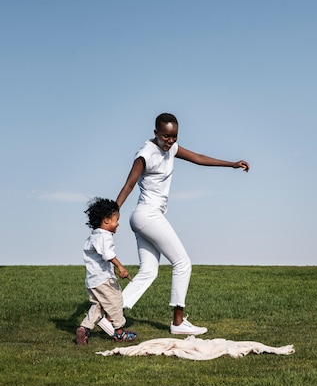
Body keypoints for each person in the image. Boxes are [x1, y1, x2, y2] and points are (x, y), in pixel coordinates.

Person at [115, 112, 250, 336]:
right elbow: (129, 184)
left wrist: (231, 164)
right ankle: (178, 323)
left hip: (145, 217)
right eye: (166, 136)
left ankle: (112, 315)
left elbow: (198, 158)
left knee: (148, 271)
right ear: (156, 133)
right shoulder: (145, 154)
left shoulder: (173, 149)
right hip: (147, 215)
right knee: (182, 263)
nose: (170, 141)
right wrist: (113, 212)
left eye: (174, 136)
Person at [76, 197, 137, 345]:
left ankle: (84, 328)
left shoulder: (94, 236)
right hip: (104, 280)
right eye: (116, 219)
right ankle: (119, 332)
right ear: (106, 220)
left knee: (98, 305)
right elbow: (108, 254)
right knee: (116, 301)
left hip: (93, 281)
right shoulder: (105, 236)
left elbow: (99, 258)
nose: (118, 223)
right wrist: (120, 266)